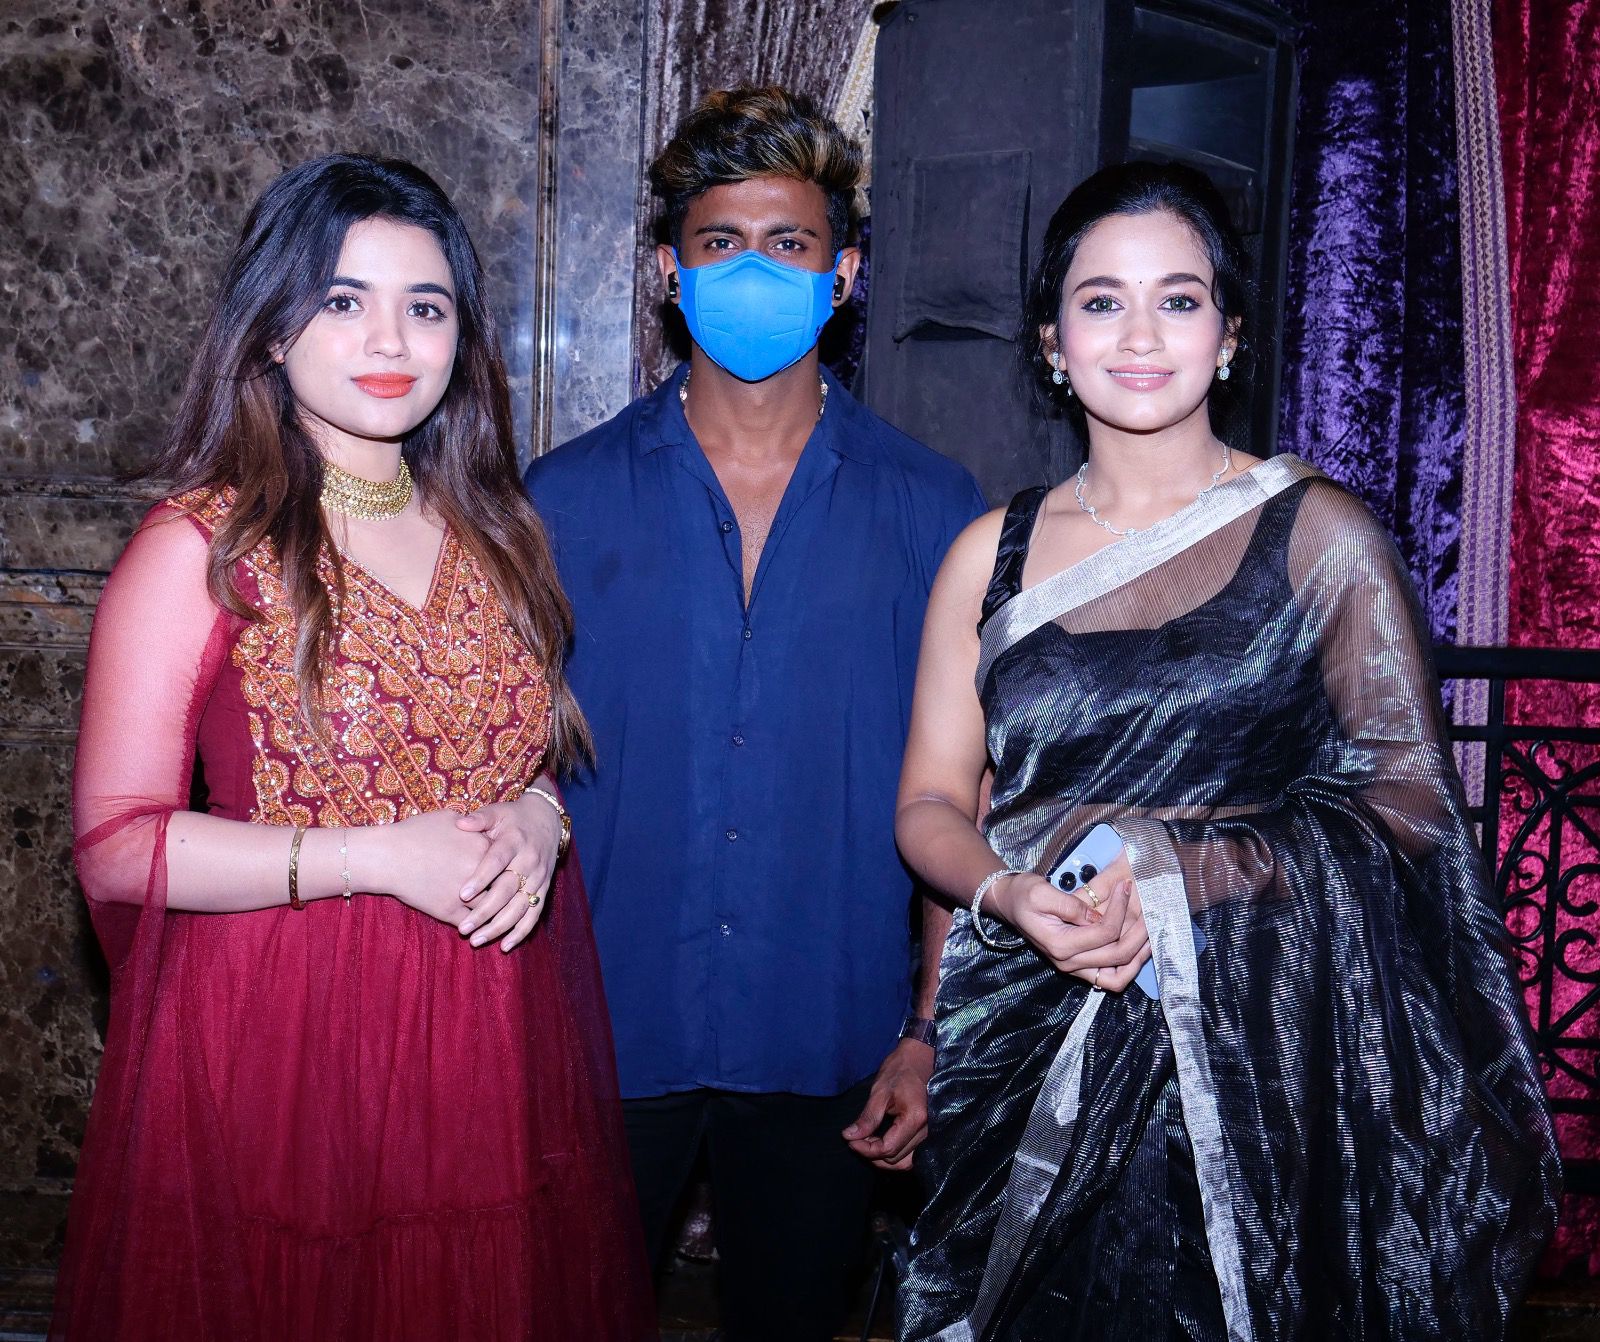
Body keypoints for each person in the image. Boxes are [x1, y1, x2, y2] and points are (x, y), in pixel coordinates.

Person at [893, 160, 1560, 1341]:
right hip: (1026, 1027)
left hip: (1257, 1058)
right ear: (1051, 341)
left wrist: (1182, 870)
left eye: (1179, 298)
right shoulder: (987, 554)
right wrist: (1007, 894)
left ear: (1229, 335)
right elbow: (932, 804)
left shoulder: (1318, 534)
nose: (1140, 334)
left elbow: (1408, 799)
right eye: (1100, 301)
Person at [52, 155, 655, 1342]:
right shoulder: (201, 547)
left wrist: (540, 816)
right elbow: (116, 847)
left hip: (486, 1036)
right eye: (344, 299)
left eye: (425, 306)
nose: (391, 339)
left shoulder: (494, 531)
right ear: (273, 326)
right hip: (289, 1041)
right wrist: (375, 856)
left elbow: (509, 754)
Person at [525, 87, 987, 1342]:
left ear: (844, 274)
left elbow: (961, 791)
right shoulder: (557, 501)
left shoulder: (935, 507)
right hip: (601, 1029)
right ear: (669, 272)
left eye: (789, 243)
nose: (753, 270)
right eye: (720, 241)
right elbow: (503, 769)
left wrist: (928, 1029)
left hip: (827, 1032)